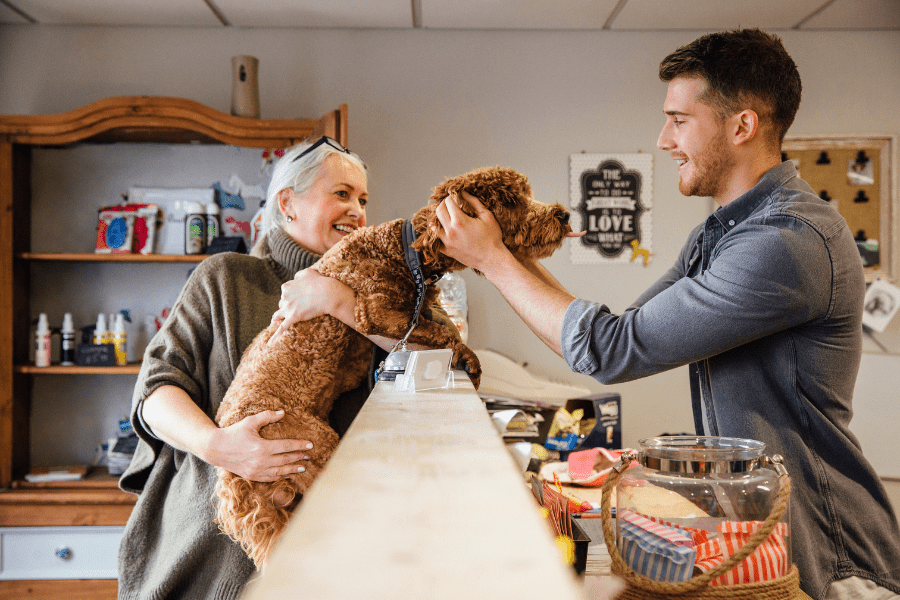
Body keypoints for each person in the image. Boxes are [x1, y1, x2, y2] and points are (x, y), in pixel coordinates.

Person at [433, 29, 900, 600]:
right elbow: (621, 330)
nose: (663, 139)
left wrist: (494, 259)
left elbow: (608, 351)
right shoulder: (723, 233)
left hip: (832, 558)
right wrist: (509, 256)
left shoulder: (785, 242)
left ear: (742, 126)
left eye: (679, 120)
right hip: (762, 539)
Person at [117, 136, 455, 599]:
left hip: (344, 546)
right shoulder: (226, 278)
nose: (357, 209)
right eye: (341, 193)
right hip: (217, 543)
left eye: (363, 199)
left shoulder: (381, 294)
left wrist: (340, 302)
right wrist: (219, 447)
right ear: (287, 202)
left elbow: (444, 362)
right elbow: (156, 389)